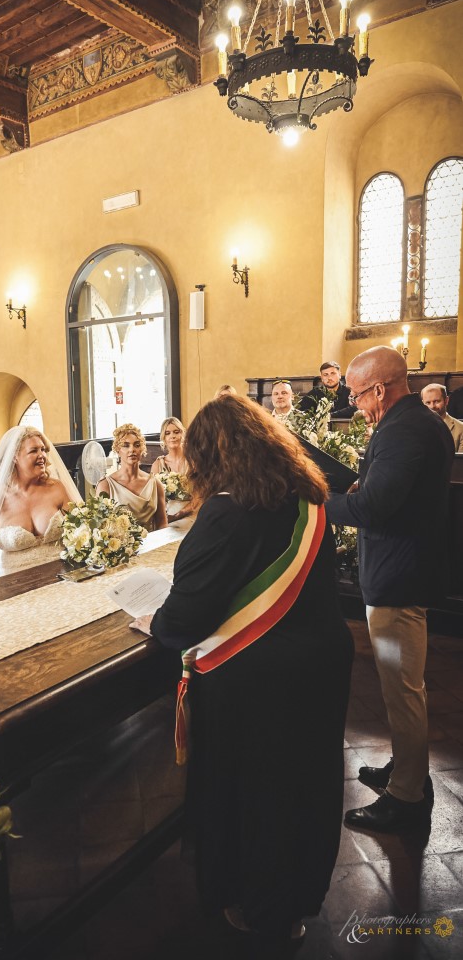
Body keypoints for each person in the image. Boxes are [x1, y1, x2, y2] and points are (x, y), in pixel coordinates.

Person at [137, 395, 353, 948]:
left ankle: (260, 907)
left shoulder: (227, 513)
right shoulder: (306, 499)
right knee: (306, 786)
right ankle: (295, 901)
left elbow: (184, 618)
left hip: (257, 686)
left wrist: (155, 622)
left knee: (257, 799)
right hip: (322, 668)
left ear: (211, 455)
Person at [326, 347, 454, 832]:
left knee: (402, 691)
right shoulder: (417, 423)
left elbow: (376, 509)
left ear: (380, 388)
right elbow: (390, 494)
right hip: (404, 570)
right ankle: (406, 769)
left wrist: (325, 502)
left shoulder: (403, 429)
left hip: (398, 579)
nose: (356, 405)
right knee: (403, 688)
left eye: (357, 395)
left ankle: (406, 798)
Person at [0, 426, 82, 578]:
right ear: (14, 456)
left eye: (43, 450)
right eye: (34, 451)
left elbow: (82, 533)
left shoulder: (57, 489)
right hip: (15, 584)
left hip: (62, 578)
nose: (42, 455)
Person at [97, 423, 167, 531]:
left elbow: (162, 525)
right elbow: (101, 528)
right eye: (126, 445)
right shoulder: (106, 486)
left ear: (142, 449)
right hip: (119, 546)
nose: (132, 449)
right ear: (117, 450)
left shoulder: (155, 484)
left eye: (137, 445)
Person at [151, 417, 193, 522]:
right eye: (167, 433)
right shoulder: (157, 465)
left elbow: (201, 497)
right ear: (163, 438)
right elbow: (153, 500)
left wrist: (178, 515)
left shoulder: (193, 462)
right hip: (167, 517)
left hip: (192, 513)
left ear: (182, 434)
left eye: (176, 432)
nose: (172, 436)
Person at [421, 383, 463, 451]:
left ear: (446, 400)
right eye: (428, 403)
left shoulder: (461, 429)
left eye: (436, 401)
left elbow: (460, 461)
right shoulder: (415, 427)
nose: (432, 406)